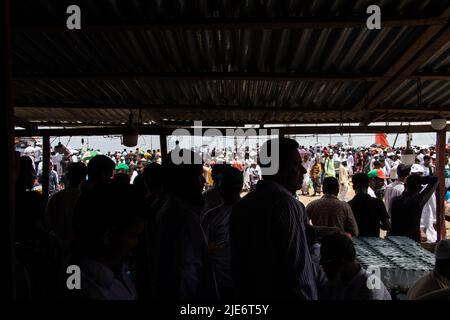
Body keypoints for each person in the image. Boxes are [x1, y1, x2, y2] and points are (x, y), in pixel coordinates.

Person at [231, 138, 317, 300]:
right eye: (295, 165)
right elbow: (299, 273)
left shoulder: (243, 204)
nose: (303, 171)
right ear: (279, 168)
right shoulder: (287, 205)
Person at [152, 149, 218, 300]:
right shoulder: (180, 217)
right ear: (183, 179)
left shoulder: (172, 210)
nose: (203, 181)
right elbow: (184, 279)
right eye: (198, 175)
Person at [64, 182, 145, 300]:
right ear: (109, 235)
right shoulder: (85, 288)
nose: (136, 243)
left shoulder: (116, 266)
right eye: (132, 235)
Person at [202, 166, 243, 300]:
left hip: (219, 282)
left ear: (220, 188)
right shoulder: (253, 212)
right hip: (245, 279)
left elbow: (202, 249)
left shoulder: (210, 216)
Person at [320, 232, 391, 300]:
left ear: (342, 260)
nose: (322, 265)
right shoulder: (335, 284)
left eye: (326, 261)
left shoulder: (371, 288)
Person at [45, 162, 87, 254]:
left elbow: (48, 222)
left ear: (67, 176)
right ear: (84, 177)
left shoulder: (56, 198)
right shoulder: (87, 198)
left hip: (59, 247)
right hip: (80, 248)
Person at [390, 174, 438, 242]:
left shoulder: (395, 200)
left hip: (395, 239)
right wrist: (422, 180)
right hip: (411, 240)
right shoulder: (417, 202)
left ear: (405, 185)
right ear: (420, 188)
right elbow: (435, 179)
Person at [410, 164, 438, 243]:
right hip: (415, 221)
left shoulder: (427, 188)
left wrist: (435, 220)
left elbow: (433, 205)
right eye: (412, 174)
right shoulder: (409, 187)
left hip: (425, 219)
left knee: (428, 239)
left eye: (416, 175)